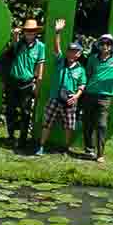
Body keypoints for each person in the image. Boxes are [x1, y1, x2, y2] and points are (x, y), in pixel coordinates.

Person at [81, 28, 113, 162]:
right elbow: (88, 74)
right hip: (90, 94)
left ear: (111, 46)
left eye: (108, 43)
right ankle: (89, 150)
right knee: (87, 123)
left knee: (102, 125)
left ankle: (100, 154)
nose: (105, 46)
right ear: (99, 45)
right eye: (103, 43)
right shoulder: (93, 58)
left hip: (105, 97)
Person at [36, 22, 87, 157]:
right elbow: (56, 48)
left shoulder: (81, 70)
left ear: (79, 54)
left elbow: (82, 85)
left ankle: (66, 148)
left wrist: (76, 96)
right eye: (70, 51)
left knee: (69, 126)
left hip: (69, 100)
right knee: (47, 123)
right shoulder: (60, 61)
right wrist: (58, 32)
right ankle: (41, 146)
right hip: (54, 97)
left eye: (75, 51)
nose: (71, 53)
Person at [6, 17, 47, 153]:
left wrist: (38, 86)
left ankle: (22, 140)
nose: (29, 33)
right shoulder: (19, 43)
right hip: (13, 81)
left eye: (32, 31)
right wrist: (15, 35)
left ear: (36, 32)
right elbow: (13, 46)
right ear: (24, 32)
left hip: (27, 84)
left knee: (25, 112)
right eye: (27, 31)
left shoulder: (40, 47)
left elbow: (40, 67)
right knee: (11, 110)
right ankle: (10, 136)